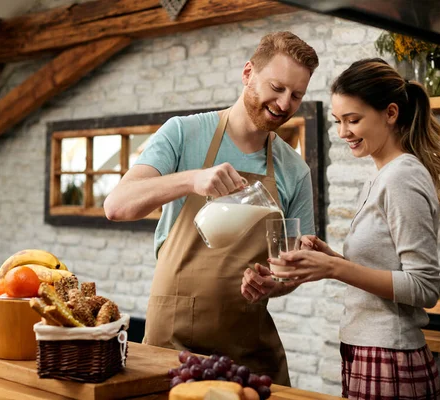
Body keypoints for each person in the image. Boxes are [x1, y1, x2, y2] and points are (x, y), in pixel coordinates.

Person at [103, 31, 319, 385]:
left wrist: (274, 283)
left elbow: (291, 268)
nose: (284, 104)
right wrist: (191, 180)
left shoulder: (293, 169)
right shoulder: (183, 134)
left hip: (247, 348)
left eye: (296, 95)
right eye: (276, 87)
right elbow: (117, 206)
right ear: (248, 73)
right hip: (172, 342)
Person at [270, 58, 440, 399]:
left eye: (353, 120)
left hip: (390, 357)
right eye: (339, 121)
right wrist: (331, 258)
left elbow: (424, 287)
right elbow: (383, 268)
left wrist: (336, 269)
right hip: (367, 351)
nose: (343, 132)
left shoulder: (402, 177)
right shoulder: (381, 175)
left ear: (391, 113)